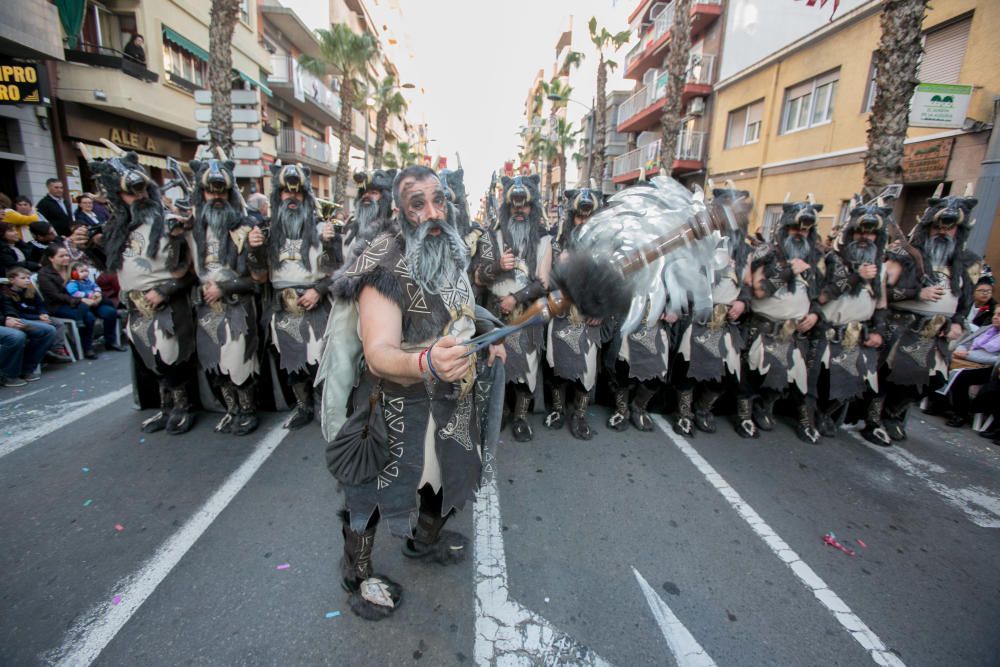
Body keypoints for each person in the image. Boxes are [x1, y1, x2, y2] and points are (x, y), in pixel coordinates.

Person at [318, 165, 504, 620]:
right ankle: (356, 571)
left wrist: (486, 328)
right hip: (397, 406)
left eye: (439, 200)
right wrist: (425, 362)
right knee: (370, 498)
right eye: (418, 203)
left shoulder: (449, 247)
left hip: (452, 405)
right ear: (400, 212)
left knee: (447, 479)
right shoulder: (383, 263)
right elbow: (379, 351)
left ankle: (425, 540)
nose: (433, 212)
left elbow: (456, 302)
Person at [87, 150, 197, 433]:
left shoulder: (171, 222)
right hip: (135, 306)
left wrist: (165, 290)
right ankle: (165, 407)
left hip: (166, 303)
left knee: (171, 356)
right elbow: (111, 268)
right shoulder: (116, 228)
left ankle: (183, 407)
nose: (140, 196)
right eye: (131, 193)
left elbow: (192, 269)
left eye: (143, 189)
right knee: (150, 360)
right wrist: (90, 245)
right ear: (117, 197)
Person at [869, 185, 981, 444]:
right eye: (938, 226)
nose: (943, 231)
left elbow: (965, 302)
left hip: (936, 333)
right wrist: (915, 294)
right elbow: (881, 290)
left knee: (932, 380)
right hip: (902, 326)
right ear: (928, 226)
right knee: (889, 378)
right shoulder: (904, 253)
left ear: (959, 231)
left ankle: (893, 414)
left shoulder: (967, 262)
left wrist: (957, 323)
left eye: (949, 227)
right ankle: (874, 420)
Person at [247, 162, 342, 429]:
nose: (292, 198)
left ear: (306, 196)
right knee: (292, 362)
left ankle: (325, 406)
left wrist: (317, 290)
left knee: (321, 358)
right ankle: (303, 407)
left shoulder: (322, 229)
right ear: (278, 196)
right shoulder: (266, 232)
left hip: (316, 303)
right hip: (283, 306)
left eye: (298, 193)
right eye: (287, 193)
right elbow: (259, 277)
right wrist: (253, 250)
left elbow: (335, 272)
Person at [471, 174, 551, 442]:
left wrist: (516, 298)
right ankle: (499, 412)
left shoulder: (543, 239)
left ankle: (520, 416)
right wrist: (497, 267)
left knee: (526, 369)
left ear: (533, 207)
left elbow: (543, 282)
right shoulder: (490, 236)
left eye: (525, 205)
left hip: (525, 315)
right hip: (493, 315)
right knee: (495, 365)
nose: (520, 210)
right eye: (515, 205)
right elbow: (478, 278)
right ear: (507, 207)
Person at [670, 185, 753, 438]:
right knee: (688, 369)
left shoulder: (744, 249)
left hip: (724, 319)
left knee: (723, 373)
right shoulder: (697, 241)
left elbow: (747, 285)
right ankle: (683, 414)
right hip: (696, 315)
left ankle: (703, 410)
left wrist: (743, 303)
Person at [186, 155, 261, 435]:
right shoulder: (192, 229)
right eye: (210, 191)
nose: (216, 196)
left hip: (236, 304)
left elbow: (256, 280)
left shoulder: (245, 228)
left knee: (238, 360)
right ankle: (232, 410)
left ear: (230, 193)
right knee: (214, 360)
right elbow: (181, 269)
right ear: (201, 192)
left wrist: (224, 287)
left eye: (222, 191)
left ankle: (248, 411)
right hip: (206, 306)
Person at [744, 197, 824, 444]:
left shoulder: (815, 257)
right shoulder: (766, 252)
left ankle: (765, 407)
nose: (799, 233)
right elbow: (758, 290)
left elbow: (819, 294)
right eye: (795, 227)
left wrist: (814, 314)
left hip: (793, 331)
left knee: (786, 375)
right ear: (784, 227)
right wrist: (790, 271)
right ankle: (744, 415)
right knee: (752, 375)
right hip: (763, 326)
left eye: (805, 229)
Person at [813, 197, 889, 439]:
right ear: (850, 233)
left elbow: (881, 304)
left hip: (858, 334)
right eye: (859, 233)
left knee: (850, 382)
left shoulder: (880, 268)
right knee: (823, 381)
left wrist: (878, 330)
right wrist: (856, 276)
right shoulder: (832, 260)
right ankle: (814, 415)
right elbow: (822, 297)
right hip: (829, 331)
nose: (865, 238)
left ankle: (827, 415)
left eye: (872, 234)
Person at [544, 187, 604, 440]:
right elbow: (544, 281)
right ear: (571, 218)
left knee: (586, 370)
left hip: (588, 317)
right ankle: (558, 409)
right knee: (557, 367)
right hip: (561, 315)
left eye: (588, 218)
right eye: (579, 217)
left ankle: (579, 415)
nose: (583, 223)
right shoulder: (555, 244)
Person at [38, 245, 121, 357]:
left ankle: (110, 341)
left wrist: (97, 295)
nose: (66, 258)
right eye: (61, 256)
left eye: (67, 255)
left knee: (109, 312)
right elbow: (55, 295)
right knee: (88, 317)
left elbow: (89, 284)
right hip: (62, 305)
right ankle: (87, 348)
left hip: (87, 299)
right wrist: (80, 300)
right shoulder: (45, 274)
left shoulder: (72, 267)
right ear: (51, 258)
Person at [940, 310, 1000, 427]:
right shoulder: (987, 328)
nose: (995, 317)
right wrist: (960, 350)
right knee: (942, 366)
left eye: (999, 315)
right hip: (965, 359)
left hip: (989, 368)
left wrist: (968, 355)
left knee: (961, 378)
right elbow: (967, 341)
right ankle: (941, 403)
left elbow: (997, 359)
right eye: (995, 314)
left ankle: (961, 414)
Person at [1, 267, 57, 384]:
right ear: (12, 280)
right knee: (16, 336)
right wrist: (6, 320)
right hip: (14, 319)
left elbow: (7, 308)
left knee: (49, 330)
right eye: (23, 278)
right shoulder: (7, 290)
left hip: (10, 318)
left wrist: (10, 317)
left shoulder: (29, 289)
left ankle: (26, 368)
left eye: (28, 278)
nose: (27, 280)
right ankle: (7, 374)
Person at [342, 169, 396, 265]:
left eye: (373, 192)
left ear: (384, 199)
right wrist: (328, 242)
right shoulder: (351, 224)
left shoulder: (394, 228)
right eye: (364, 192)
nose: (366, 195)